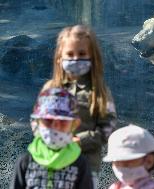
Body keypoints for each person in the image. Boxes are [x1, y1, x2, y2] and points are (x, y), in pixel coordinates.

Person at [41, 25, 117, 187]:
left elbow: (107, 127)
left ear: (93, 57)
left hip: (86, 166)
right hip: (54, 163)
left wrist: (78, 141)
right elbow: (38, 121)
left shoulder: (100, 92)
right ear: (60, 58)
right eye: (70, 54)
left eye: (82, 54)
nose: (75, 59)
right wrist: (50, 138)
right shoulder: (50, 89)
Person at [10, 88, 93, 188]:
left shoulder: (80, 164)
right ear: (36, 122)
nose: (55, 126)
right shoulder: (25, 162)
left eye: (62, 121)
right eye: (48, 120)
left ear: (74, 125)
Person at [103, 124, 154, 189]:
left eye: (127, 162)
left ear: (149, 161)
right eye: (117, 162)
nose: (121, 167)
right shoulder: (115, 187)